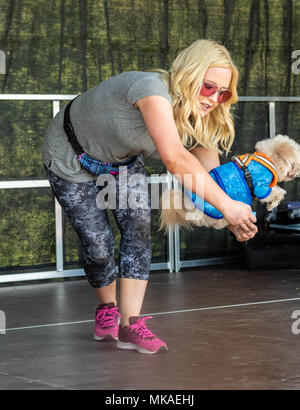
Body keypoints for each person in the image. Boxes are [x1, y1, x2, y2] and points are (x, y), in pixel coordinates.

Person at [42, 38, 257, 355]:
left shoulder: (203, 118)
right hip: (70, 157)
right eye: (208, 87)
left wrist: (227, 216)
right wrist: (229, 208)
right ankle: (107, 309)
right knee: (98, 245)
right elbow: (175, 159)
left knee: (138, 229)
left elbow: (206, 181)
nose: (214, 98)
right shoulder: (152, 90)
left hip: (122, 162)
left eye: (223, 93)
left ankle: (130, 325)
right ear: (189, 74)